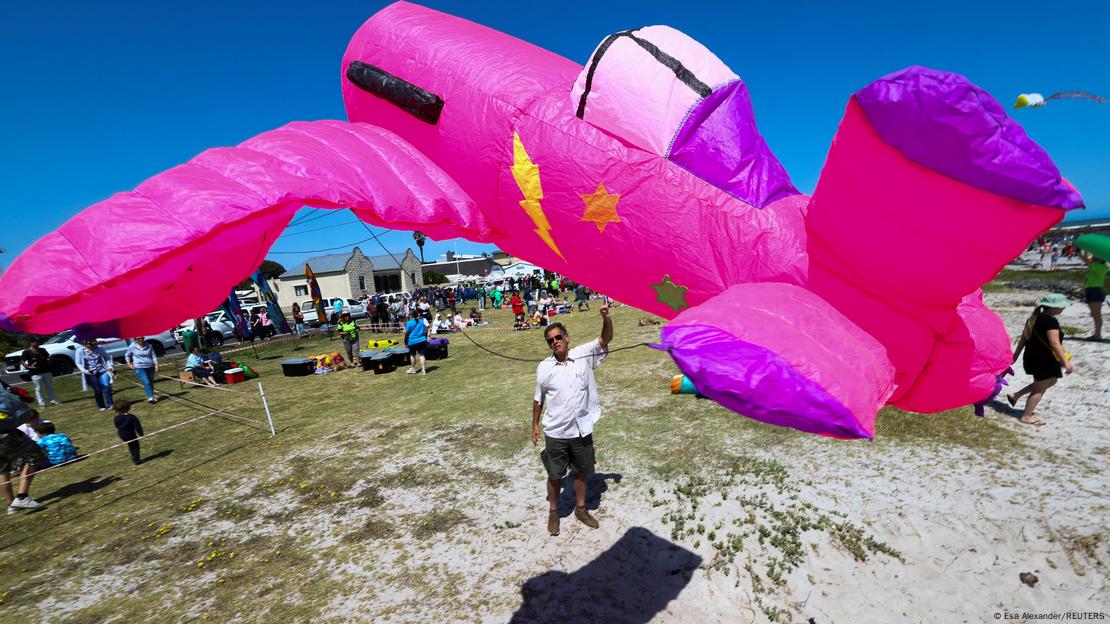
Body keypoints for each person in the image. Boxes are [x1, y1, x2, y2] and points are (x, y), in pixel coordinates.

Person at [532, 303, 612, 536]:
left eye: (558, 337)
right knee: (555, 475)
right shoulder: (544, 367)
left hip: (581, 428)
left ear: (567, 337)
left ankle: (580, 509)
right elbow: (538, 399)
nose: (555, 342)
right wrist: (535, 425)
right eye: (550, 340)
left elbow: (605, 339)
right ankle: (554, 512)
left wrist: (606, 318)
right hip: (556, 432)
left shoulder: (583, 354)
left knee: (581, 472)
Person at [1007, 293, 1073, 426]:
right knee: (1039, 389)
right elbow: (1055, 343)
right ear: (1054, 307)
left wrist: (1015, 355)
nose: (1063, 308)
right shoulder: (1050, 321)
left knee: (1051, 380)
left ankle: (1016, 395)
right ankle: (1026, 416)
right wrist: (1066, 362)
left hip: (1032, 357)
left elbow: (1023, 339)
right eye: (1062, 306)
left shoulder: (1034, 318)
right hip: (1044, 360)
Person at [0, 387, 46, 513]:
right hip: (5, 434)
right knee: (35, 455)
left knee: (2, 469)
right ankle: (22, 497)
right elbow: (26, 415)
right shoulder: (4, 394)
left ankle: (12, 506)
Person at [75, 339, 114, 411]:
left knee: (106, 387)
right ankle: (101, 406)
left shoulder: (99, 348)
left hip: (102, 371)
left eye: (92, 342)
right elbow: (78, 363)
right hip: (90, 373)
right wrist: (85, 371)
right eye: (88, 342)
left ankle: (110, 404)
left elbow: (107, 357)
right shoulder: (80, 351)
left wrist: (110, 366)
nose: (90, 344)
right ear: (84, 343)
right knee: (98, 390)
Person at [21, 339, 59, 408]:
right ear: (31, 343)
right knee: (38, 388)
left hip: (46, 370)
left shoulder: (42, 350)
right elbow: (22, 361)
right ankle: (42, 404)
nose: (38, 343)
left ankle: (53, 400)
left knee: (49, 387)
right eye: (36, 342)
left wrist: (50, 359)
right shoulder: (26, 352)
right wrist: (29, 366)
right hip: (35, 372)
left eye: (38, 341)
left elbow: (48, 358)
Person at [1080, 252, 1107, 341]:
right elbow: (1086, 258)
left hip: (1095, 291)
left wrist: (1084, 251)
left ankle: (1098, 335)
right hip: (1093, 290)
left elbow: (1085, 259)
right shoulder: (1098, 266)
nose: (1093, 256)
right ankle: (1096, 334)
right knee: (1095, 315)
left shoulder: (1100, 267)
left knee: (1096, 315)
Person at [126, 336, 160, 404]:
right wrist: (129, 363)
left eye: (142, 338)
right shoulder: (132, 346)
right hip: (139, 367)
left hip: (150, 366)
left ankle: (152, 395)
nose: (140, 340)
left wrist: (156, 365)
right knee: (146, 381)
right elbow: (127, 355)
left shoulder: (149, 346)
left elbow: (153, 356)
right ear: (135, 339)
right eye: (138, 339)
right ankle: (151, 397)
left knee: (150, 382)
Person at [112, 400, 145, 465]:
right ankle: (136, 460)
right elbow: (137, 426)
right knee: (135, 446)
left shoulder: (116, 418)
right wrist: (141, 434)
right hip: (130, 434)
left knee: (130, 445)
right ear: (128, 408)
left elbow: (116, 425)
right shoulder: (132, 417)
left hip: (122, 434)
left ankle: (133, 457)